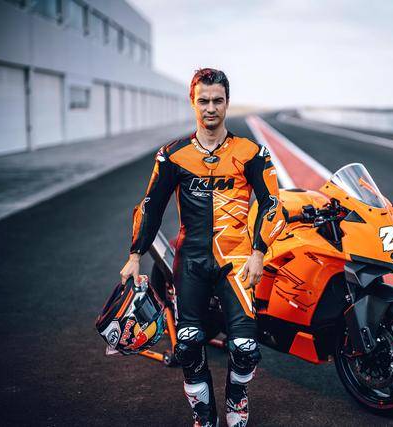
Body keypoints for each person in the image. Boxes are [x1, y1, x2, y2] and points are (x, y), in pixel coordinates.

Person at [120, 68, 285, 427]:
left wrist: (259, 252)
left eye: (217, 101)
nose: (211, 108)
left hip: (237, 260)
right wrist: (135, 256)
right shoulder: (172, 155)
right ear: (192, 102)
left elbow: (272, 204)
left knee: (245, 348)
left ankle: (237, 396)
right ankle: (204, 416)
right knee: (188, 343)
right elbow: (151, 206)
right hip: (191, 260)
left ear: (227, 102)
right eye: (204, 101)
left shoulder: (251, 153)